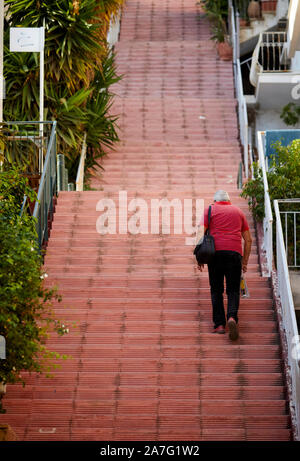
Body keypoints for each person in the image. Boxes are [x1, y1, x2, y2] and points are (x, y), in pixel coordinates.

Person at [196, 190, 252, 340]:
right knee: (233, 290)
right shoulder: (238, 212)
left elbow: (200, 233)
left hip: (215, 255)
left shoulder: (209, 210)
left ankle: (219, 325)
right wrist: (244, 262)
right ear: (229, 201)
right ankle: (232, 318)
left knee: (216, 290)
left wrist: (199, 258)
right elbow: (248, 239)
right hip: (234, 254)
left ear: (215, 201)